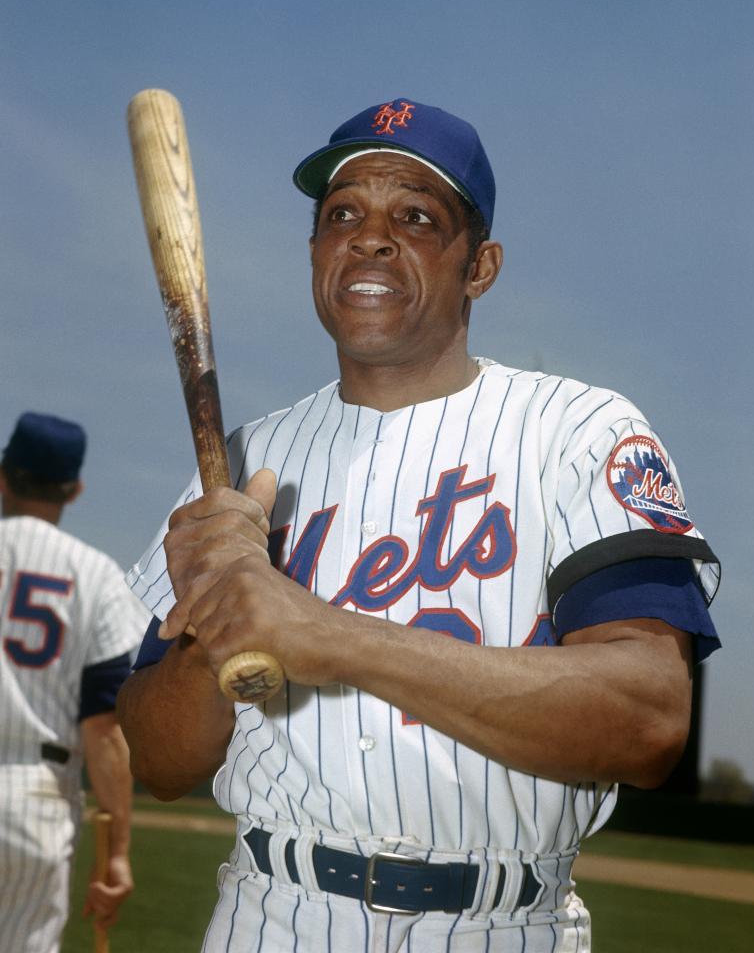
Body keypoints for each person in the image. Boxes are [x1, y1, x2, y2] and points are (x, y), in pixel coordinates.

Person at [117, 98, 721, 952]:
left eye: (415, 216)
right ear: (318, 254)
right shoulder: (247, 456)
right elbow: (162, 763)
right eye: (341, 215)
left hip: (509, 924)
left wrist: (327, 635)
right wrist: (209, 627)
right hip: (272, 913)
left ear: (481, 267)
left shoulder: (581, 431)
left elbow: (647, 718)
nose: (369, 236)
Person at [0, 412, 150, 953]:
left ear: (3, 474)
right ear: (76, 489)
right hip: (31, 798)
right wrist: (116, 853)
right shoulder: (95, 575)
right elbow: (105, 727)